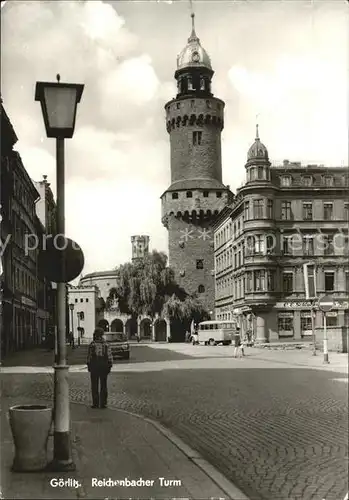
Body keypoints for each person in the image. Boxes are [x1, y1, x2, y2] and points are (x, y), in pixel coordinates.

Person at [87, 328, 113, 409]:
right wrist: (110, 365)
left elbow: (89, 356)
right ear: (102, 335)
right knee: (103, 385)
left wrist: (89, 365)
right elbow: (109, 356)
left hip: (95, 366)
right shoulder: (106, 344)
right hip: (103, 366)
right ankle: (103, 403)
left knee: (94, 385)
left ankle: (95, 403)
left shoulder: (92, 344)